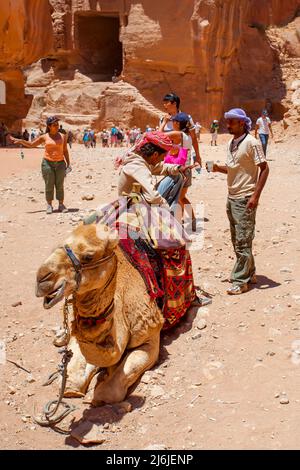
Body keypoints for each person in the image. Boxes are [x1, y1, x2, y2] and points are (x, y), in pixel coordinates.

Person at [208, 108, 269, 295]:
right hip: (231, 197)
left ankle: (240, 280)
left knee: (243, 240)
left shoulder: (252, 143)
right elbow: (235, 168)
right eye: (228, 121)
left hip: (245, 198)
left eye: (231, 122)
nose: (228, 125)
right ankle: (249, 272)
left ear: (242, 123)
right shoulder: (231, 143)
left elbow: (265, 169)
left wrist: (255, 196)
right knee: (238, 239)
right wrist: (218, 168)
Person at [9, 116, 71, 214]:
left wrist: (69, 164)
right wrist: (21, 141)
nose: (57, 126)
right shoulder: (44, 136)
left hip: (60, 164)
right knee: (49, 184)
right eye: (54, 125)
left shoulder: (63, 136)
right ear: (49, 126)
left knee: (60, 185)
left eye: (57, 124)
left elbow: (65, 151)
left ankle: (61, 204)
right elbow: (32, 144)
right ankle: (49, 205)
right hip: (47, 163)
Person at [118, 131, 191, 207]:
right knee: (176, 179)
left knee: (177, 175)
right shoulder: (137, 166)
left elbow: (161, 167)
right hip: (133, 207)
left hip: (138, 201)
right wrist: (166, 208)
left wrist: (178, 168)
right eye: (163, 156)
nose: (163, 159)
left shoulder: (143, 161)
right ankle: (170, 215)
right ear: (155, 154)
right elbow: (153, 197)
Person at [159, 112, 197, 230]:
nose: (172, 124)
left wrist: (164, 123)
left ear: (177, 123)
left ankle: (177, 224)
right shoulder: (188, 136)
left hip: (178, 171)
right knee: (181, 197)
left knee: (174, 197)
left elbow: (158, 135)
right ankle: (192, 219)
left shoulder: (178, 134)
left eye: (173, 122)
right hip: (186, 170)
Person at [160, 92, 202, 168]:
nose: (164, 105)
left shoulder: (186, 118)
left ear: (174, 104)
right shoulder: (163, 119)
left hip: (183, 158)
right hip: (167, 157)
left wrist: (197, 156)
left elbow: (194, 138)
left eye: (166, 103)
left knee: (185, 176)